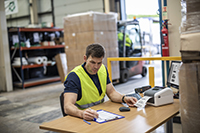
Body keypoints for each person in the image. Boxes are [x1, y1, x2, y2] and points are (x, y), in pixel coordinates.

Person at [63, 43, 137, 121]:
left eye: (99, 63)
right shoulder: (74, 76)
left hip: (100, 115)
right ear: (85, 58)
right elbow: (67, 106)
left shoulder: (103, 69)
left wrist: (124, 98)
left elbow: (111, 93)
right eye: (92, 62)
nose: (96, 67)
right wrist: (82, 113)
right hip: (82, 119)